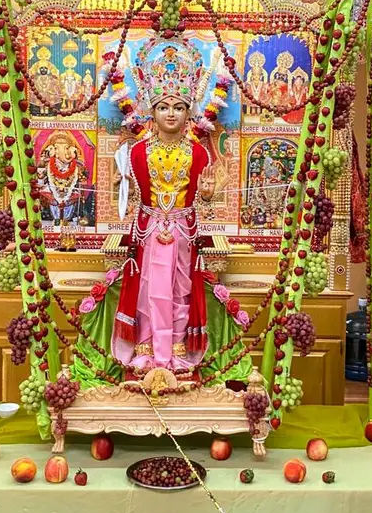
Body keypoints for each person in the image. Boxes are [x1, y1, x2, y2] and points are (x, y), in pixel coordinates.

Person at [74, 45, 253, 382]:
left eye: (179, 107)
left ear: (189, 112)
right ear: (152, 112)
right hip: (148, 232)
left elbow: (205, 202)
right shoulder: (136, 152)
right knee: (148, 290)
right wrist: (118, 187)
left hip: (184, 234)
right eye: (164, 107)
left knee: (180, 290)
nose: (171, 114)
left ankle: (178, 352)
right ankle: (145, 351)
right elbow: (125, 199)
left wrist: (209, 194)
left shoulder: (199, 153)